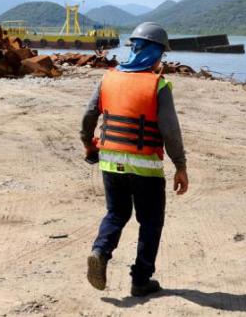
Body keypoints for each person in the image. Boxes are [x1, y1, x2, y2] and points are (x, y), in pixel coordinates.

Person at [81, 22, 189, 297]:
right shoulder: (158, 85)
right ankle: (140, 280)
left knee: (116, 213)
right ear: (156, 53)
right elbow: (170, 131)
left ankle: (100, 251)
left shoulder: (108, 78)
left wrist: (88, 145)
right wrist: (180, 166)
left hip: (109, 161)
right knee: (151, 221)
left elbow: (88, 117)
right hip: (146, 167)